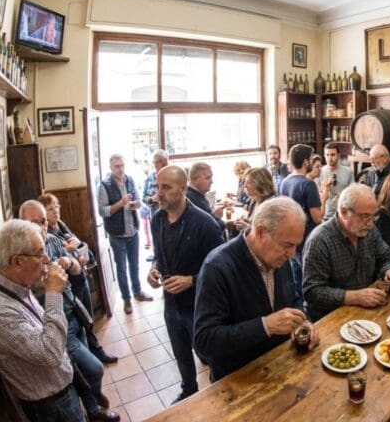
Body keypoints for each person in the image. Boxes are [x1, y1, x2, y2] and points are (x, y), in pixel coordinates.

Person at [193, 197, 320, 381]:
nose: (293, 255)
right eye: (287, 245)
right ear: (260, 232)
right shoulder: (217, 267)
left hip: (278, 366)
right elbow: (205, 340)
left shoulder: (278, 258)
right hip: (238, 379)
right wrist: (265, 326)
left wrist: (301, 321)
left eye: (296, 246)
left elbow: (293, 299)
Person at [19, 201, 119, 422]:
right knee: (94, 369)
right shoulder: (21, 256)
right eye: (33, 222)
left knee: (84, 369)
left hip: (75, 312)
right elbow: (28, 293)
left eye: (43, 221)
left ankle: (92, 406)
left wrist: (69, 262)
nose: (41, 226)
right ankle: (92, 401)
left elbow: (78, 267)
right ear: (21, 224)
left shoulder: (54, 240)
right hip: (58, 325)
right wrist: (47, 278)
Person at [0, 220, 84, 422]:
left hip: (62, 395)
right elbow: (50, 354)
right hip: (52, 409)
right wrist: (53, 293)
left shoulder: (17, 284)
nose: (46, 259)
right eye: (39, 254)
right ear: (17, 262)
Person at [146, 166, 224, 404]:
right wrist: (154, 268)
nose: (159, 193)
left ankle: (219, 392)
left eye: (166, 188)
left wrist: (191, 280)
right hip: (171, 302)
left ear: (182, 189)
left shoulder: (205, 224)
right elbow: (159, 253)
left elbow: (221, 270)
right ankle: (188, 389)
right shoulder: (157, 218)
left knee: (209, 354)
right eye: (158, 187)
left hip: (199, 305)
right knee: (181, 353)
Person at [38, 193, 118, 364]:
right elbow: (55, 263)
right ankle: (92, 357)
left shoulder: (60, 225)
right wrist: (68, 250)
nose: (55, 211)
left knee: (87, 318)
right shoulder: (46, 237)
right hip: (68, 286)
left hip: (80, 275)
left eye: (57, 207)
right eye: (50, 209)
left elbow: (78, 246)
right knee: (80, 321)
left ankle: (96, 352)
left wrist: (76, 254)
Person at [302, 184, 390, 321]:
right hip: (330, 318)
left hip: (366, 309)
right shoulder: (319, 240)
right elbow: (312, 292)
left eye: (374, 216)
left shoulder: (369, 231)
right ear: (344, 212)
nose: (371, 223)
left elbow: (386, 257)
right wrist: (354, 297)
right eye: (365, 216)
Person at [97, 154, 153, 315]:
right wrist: (120, 204)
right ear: (110, 168)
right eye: (116, 166)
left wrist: (136, 204)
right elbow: (103, 211)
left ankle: (137, 292)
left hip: (133, 230)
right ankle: (127, 299)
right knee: (121, 269)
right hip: (117, 234)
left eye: (122, 165)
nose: (120, 169)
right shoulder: (104, 186)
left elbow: (138, 200)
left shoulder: (129, 180)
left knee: (135, 265)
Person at [278, 144, 323, 299]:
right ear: (305, 162)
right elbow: (318, 218)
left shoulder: (284, 182)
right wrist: (324, 197)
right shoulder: (308, 184)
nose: (312, 162)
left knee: (296, 280)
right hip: (306, 240)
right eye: (311, 159)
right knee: (310, 280)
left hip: (290, 240)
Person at [142, 150, 169, 262]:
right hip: (155, 213)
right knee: (157, 236)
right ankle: (157, 258)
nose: (162, 165)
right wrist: (150, 199)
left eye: (164, 162)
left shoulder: (172, 176)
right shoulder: (149, 178)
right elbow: (144, 197)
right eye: (158, 162)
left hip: (171, 213)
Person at [231, 167, 276, 234]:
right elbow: (253, 222)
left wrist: (248, 228)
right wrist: (245, 221)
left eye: (248, 182)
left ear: (260, 184)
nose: (245, 185)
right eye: (244, 182)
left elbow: (268, 234)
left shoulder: (271, 206)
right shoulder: (254, 200)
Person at [319, 142, 355, 220]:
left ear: (338, 155)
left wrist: (343, 195)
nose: (329, 158)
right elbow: (316, 196)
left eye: (332, 155)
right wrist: (324, 188)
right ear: (324, 156)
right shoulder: (319, 172)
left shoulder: (348, 171)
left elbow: (353, 192)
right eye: (327, 155)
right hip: (325, 216)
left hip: (344, 215)